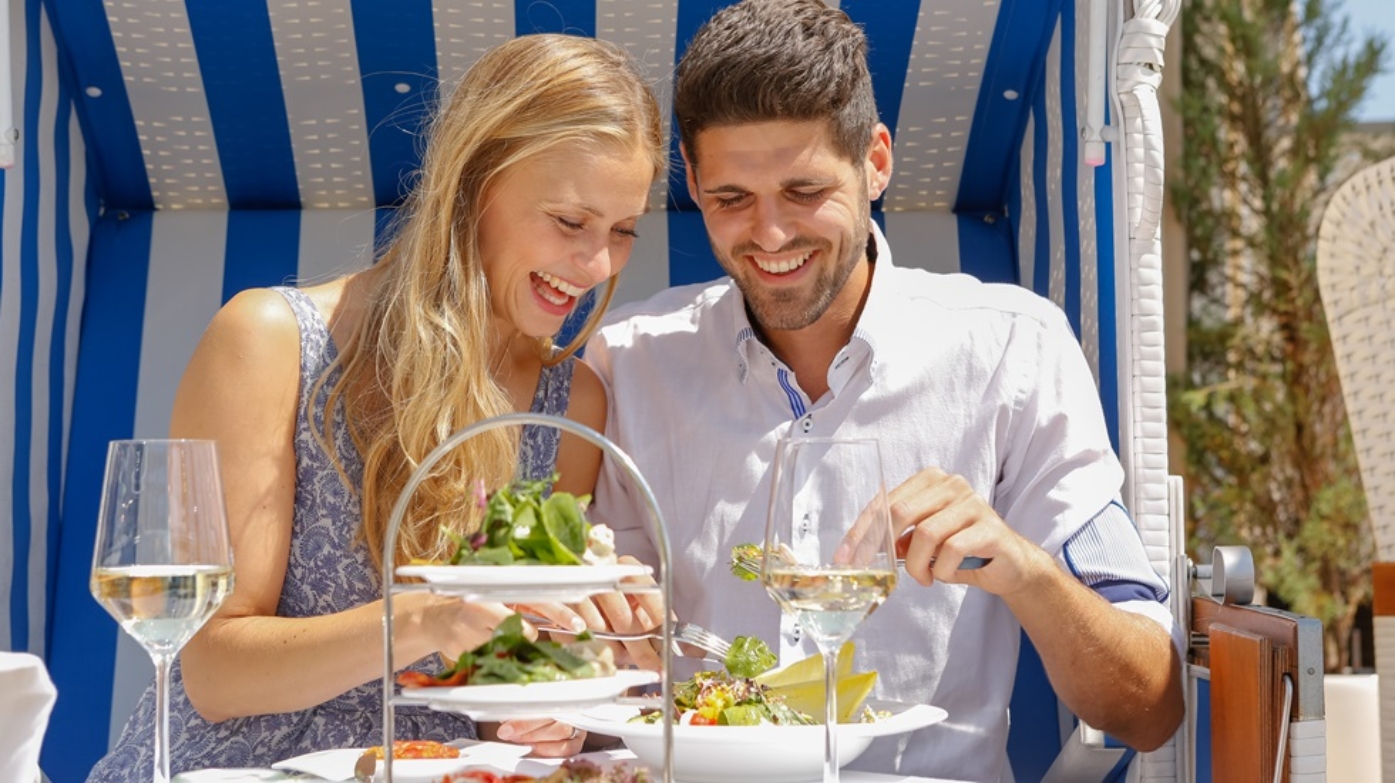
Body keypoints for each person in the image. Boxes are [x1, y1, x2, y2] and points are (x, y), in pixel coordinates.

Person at [582, 1, 1185, 780]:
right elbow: (583, 668)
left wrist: (1021, 565)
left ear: (875, 160)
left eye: (803, 191)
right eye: (732, 199)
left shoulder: (1013, 347)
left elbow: (1149, 706)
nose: (768, 236)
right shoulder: (626, 362)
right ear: (693, 183)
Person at [86, 33, 666, 781]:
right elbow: (213, 671)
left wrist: (551, 696)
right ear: (472, 185)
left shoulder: (572, 402)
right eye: (568, 221)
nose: (596, 266)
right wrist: (426, 616)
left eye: (622, 232)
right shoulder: (269, 342)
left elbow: (497, 694)